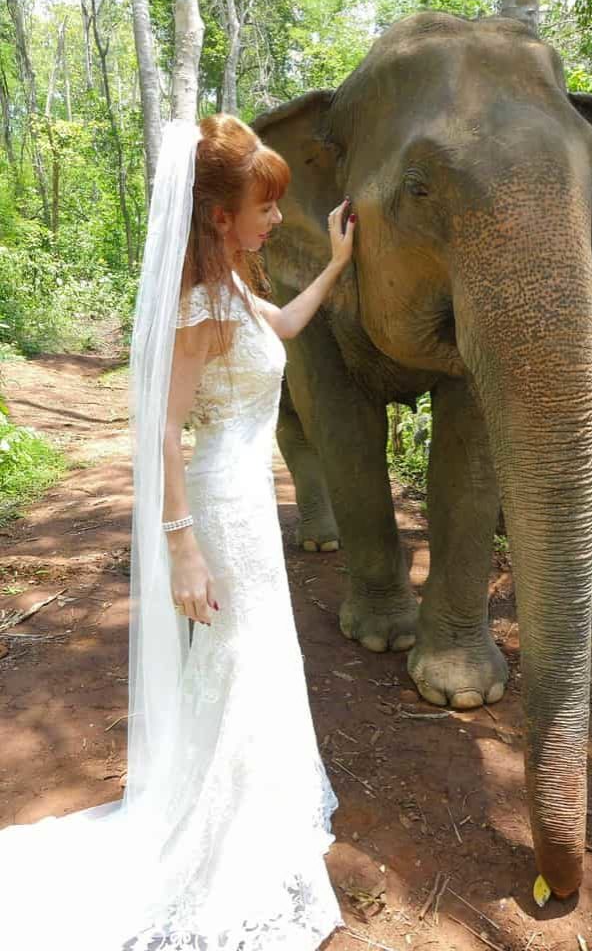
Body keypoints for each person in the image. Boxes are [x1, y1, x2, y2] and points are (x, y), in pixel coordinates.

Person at [0, 114, 356, 951]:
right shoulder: (200, 303)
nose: (275, 219)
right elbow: (162, 429)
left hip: (245, 502)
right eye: (264, 207)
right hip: (219, 511)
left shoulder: (232, 289)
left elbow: (289, 327)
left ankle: (249, 824)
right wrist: (180, 544)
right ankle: (218, 852)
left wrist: (339, 263)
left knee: (254, 661)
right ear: (219, 218)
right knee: (240, 661)